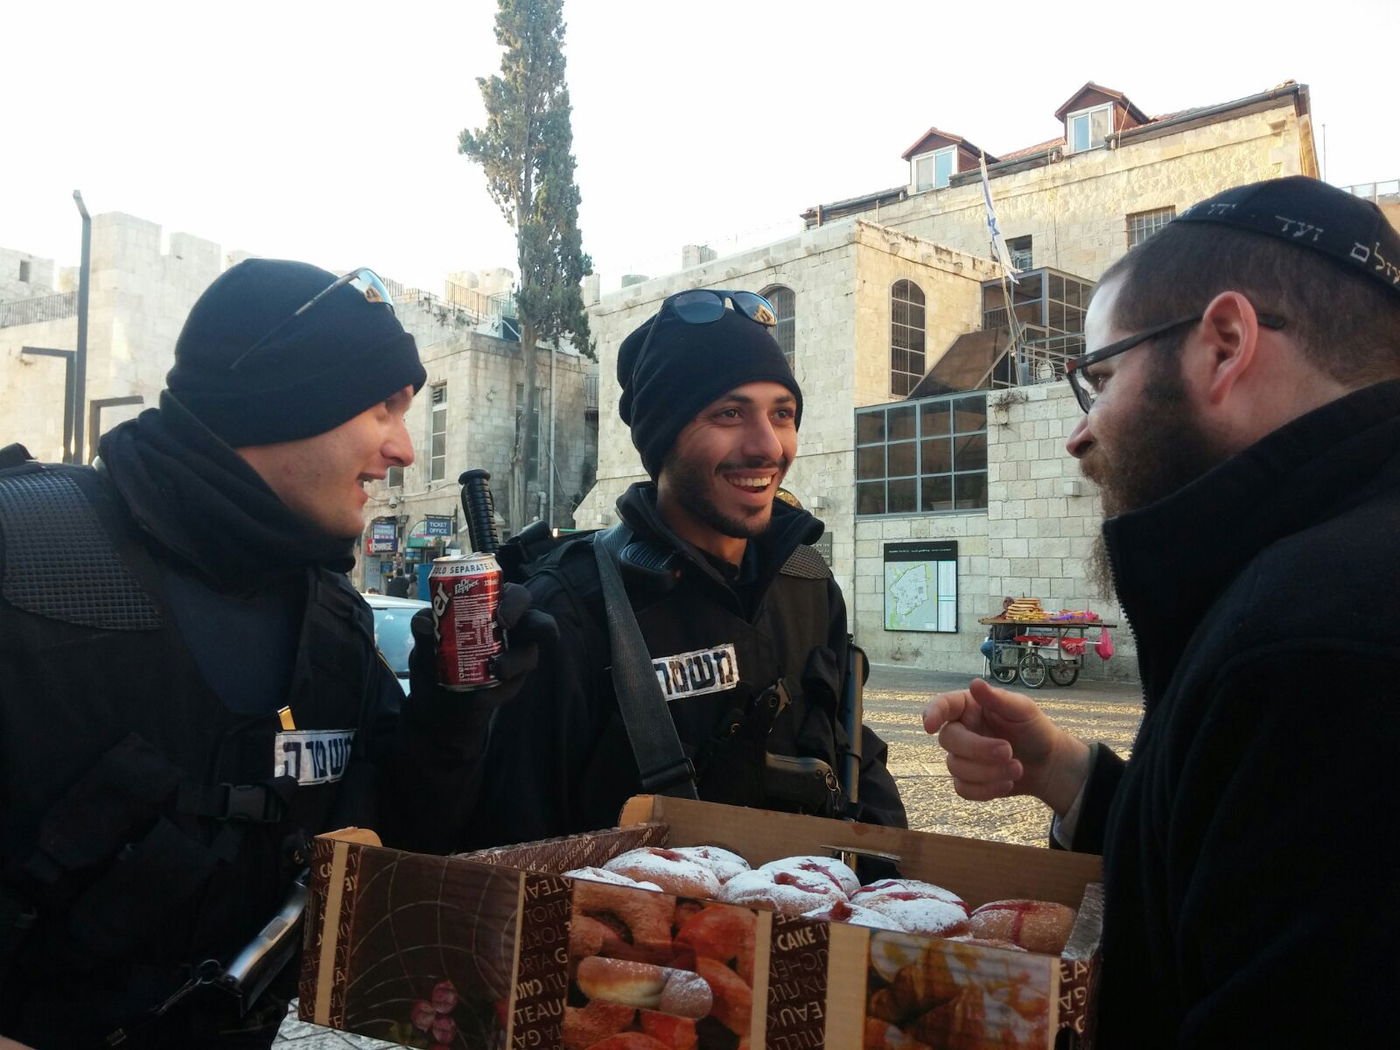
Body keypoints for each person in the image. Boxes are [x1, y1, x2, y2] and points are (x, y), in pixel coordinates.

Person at [0, 261, 552, 1049]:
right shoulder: (28, 552)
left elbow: (389, 859)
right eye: (382, 409)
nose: (402, 447)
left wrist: (450, 714)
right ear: (286, 403)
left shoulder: (329, 615)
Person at [923, 176, 1400, 1047]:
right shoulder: (1317, 580)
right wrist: (1076, 778)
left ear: (1224, 344)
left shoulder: (1320, 644)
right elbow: (1241, 870)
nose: (1080, 431)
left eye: (1099, 377)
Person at [470, 288, 906, 847]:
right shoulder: (571, 608)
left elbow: (852, 750)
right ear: (662, 434)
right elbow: (513, 847)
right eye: (729, 413)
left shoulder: (807, 581)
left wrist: (887, 873)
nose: (767, 446)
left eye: (783, 414)